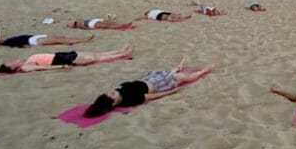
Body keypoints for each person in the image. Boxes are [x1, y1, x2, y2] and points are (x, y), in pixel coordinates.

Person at [83, 60, 215, 117]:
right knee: (183, 77)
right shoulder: (129, 99)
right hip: (159, 85)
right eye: (110, 96)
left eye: (107, 93)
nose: (110, 92)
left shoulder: (118, 91)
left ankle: (175, 69)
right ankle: (203, 71)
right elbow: (151, 97)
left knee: (171, 72)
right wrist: (172, 92)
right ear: (113, 103)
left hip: (148, 78)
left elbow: (135, 82)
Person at [0, 44, 133, 73]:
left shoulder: (23, 62)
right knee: (95, 58)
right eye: (9, 63)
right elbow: (43, 67)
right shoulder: (25, 67)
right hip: (63, 60)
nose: (12, 61)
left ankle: (120, 50)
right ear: (12, 68)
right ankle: (122, 54)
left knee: (94, 54)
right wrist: (61, 67)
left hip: (61, 54)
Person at [0, 33, 94, 47]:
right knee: (59, 41)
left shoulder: (11, 39)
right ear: (0, 41)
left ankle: (81, 38)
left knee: (61, 37)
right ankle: (83, 40)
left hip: (35, 37)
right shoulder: (9, 42)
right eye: (0, 38)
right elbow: (21, 45)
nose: (3, 36)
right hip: (34, 41)